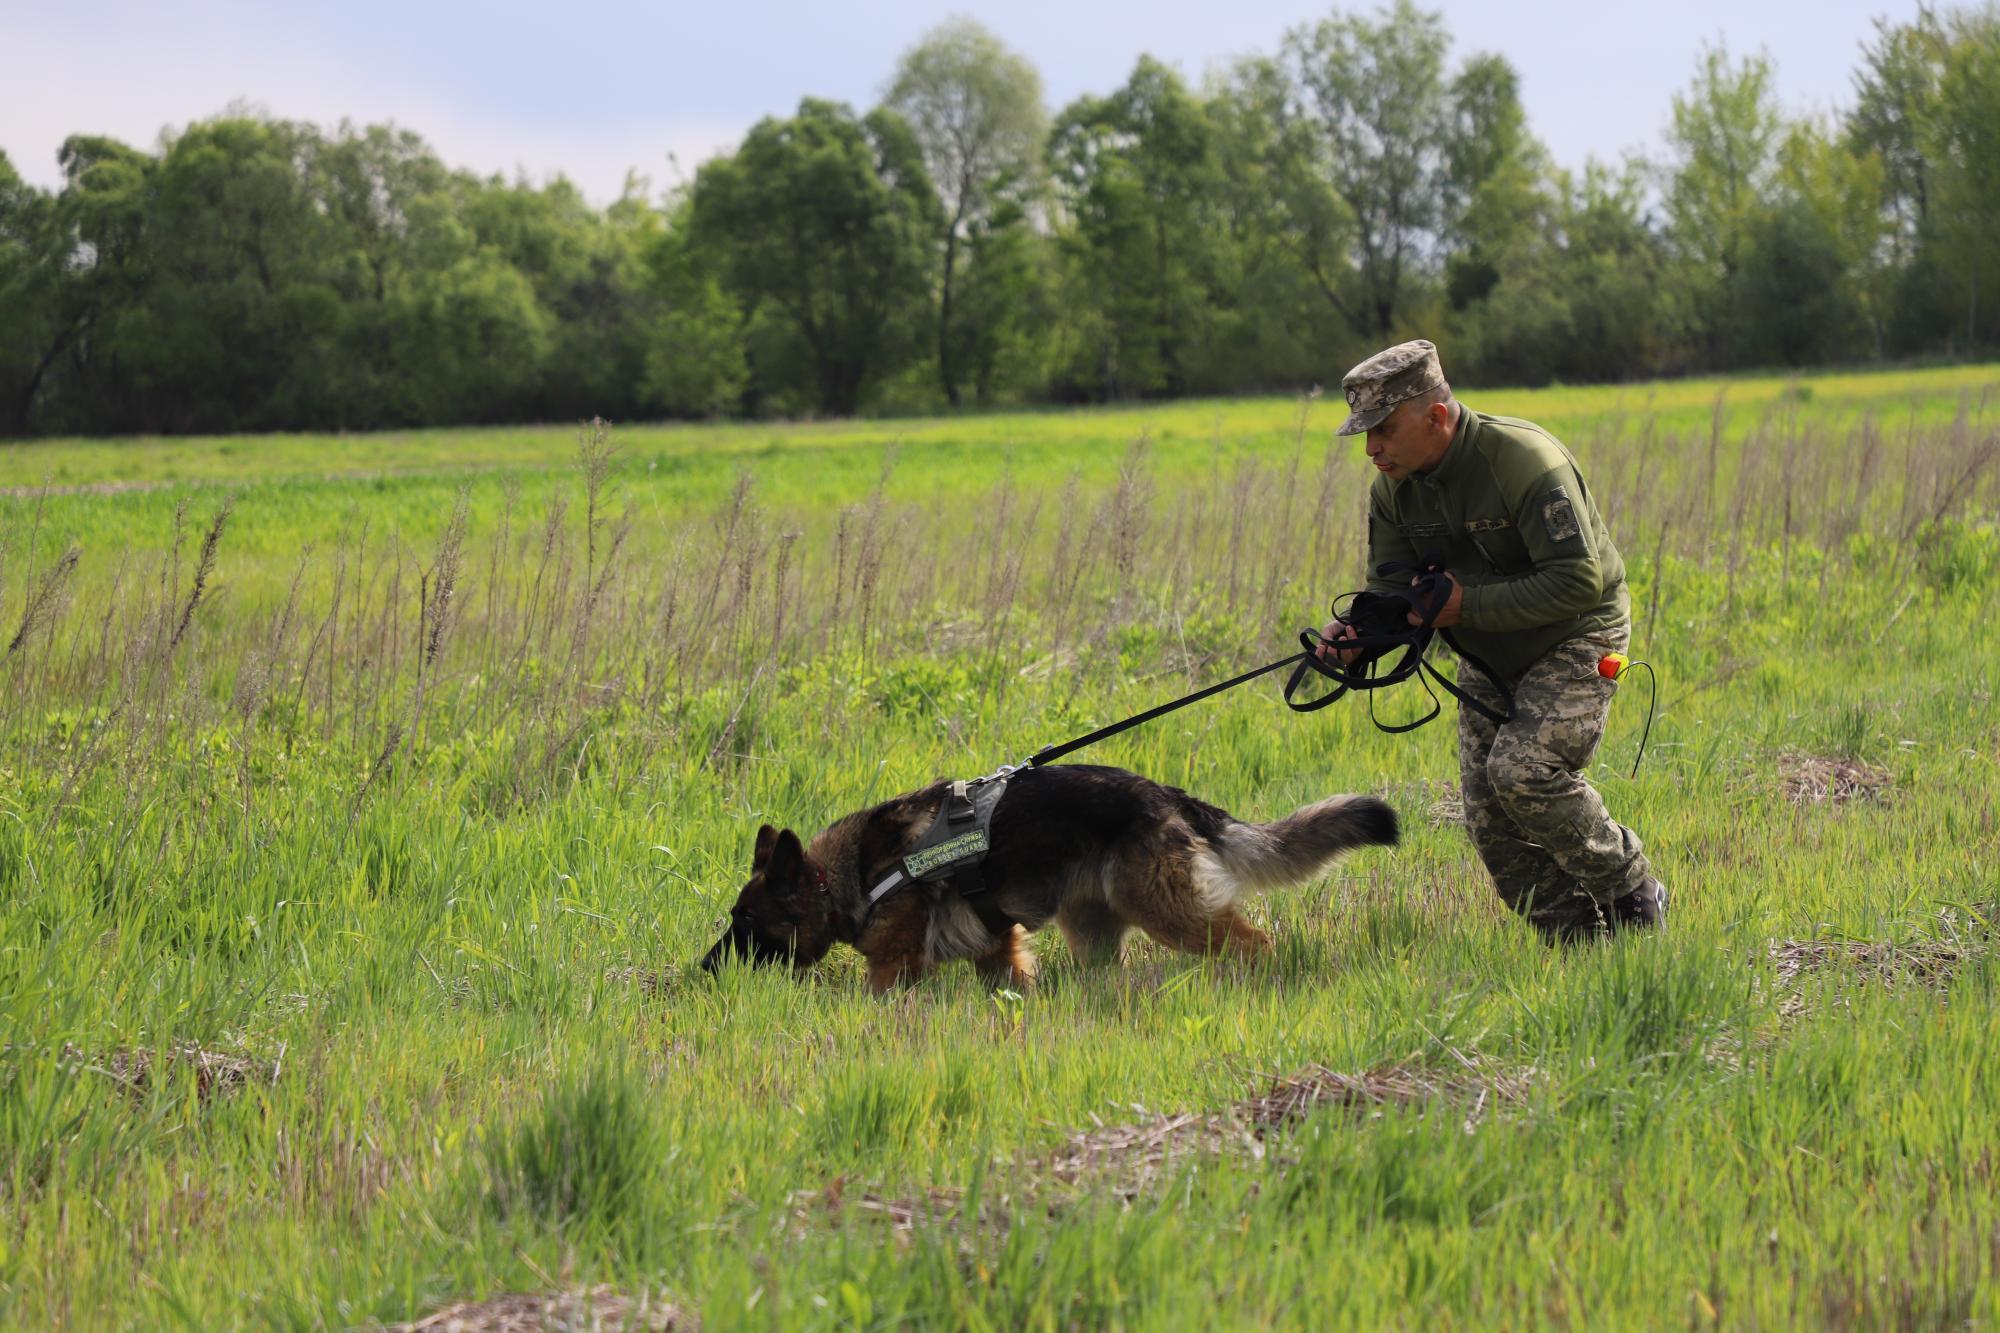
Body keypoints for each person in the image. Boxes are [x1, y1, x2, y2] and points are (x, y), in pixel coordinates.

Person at [1318, 339, 1666, 942]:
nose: (1372, 449)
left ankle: (1631, 891)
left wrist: (1467, 605)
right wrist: (1359, 637)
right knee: (1488, 818)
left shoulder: (1524, 460)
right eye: (1365, 434)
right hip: (1485, 649)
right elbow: (1392, 592)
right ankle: (1577, 942)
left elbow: (1578, 582)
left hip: (1578, 632)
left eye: (1384, 429)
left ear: (1436, 416)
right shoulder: (1392, 490)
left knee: (1523, 772)